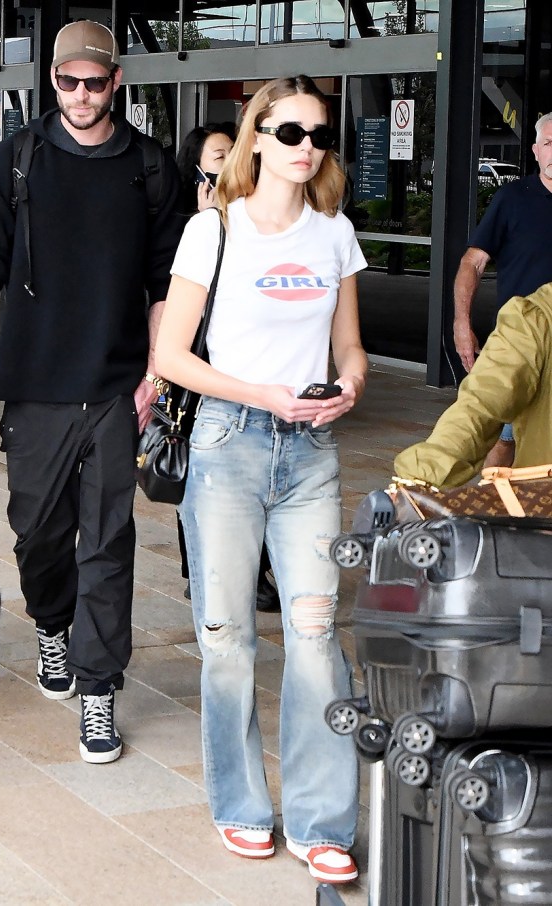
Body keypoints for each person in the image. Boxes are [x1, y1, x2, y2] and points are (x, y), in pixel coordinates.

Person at [0, 20, 183, 764]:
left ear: (118, 83)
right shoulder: (14, 161)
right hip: (36, 389)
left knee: (108, 544)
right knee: (39, 535)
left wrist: (156, 375)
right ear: (52, 82)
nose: (81, 94)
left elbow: (167, 284)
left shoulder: (149, 167)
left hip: (114, 390)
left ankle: (99, 686)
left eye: (96, 82)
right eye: (68, 82)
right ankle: (52, 626)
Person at [156, 75, 367, 883]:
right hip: (229, 446)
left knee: (315, 640)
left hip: (311, 453)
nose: (307, 147)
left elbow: (349, 346)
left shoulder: (335, 233)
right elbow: (171, 356)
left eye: (319, 133)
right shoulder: (214, 232)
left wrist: (348, 385)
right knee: (228, 639)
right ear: (257, 137)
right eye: (290, 133)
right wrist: (262, 394)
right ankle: (240, 805)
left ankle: (322, 819)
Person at [175, 122, 280, 611]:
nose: (231, 160)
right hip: (202, 371)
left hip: (256, 375)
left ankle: (256, 567)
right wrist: (208, 223)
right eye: (219, 154)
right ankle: (200, 568)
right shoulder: (192, 223)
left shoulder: (265, 215)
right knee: (197, 472)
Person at [453, 112, 552, 467]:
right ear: (536, 151)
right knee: (506, 436)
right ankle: (488, 512)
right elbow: (472, 262)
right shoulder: (513, 198)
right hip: (520, 343)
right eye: (549, 144)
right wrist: (461, 323)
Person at [396, 281, 552, 487]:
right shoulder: (537, 319)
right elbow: (481, 403)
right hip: (544, 503)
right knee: (502, 444)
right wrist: (418, 480)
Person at [176, 122, 235, 216]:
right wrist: (209, 215)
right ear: (198, 172)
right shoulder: (183, 219)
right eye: (220, 157)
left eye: (234, 153)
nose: (232, 160)